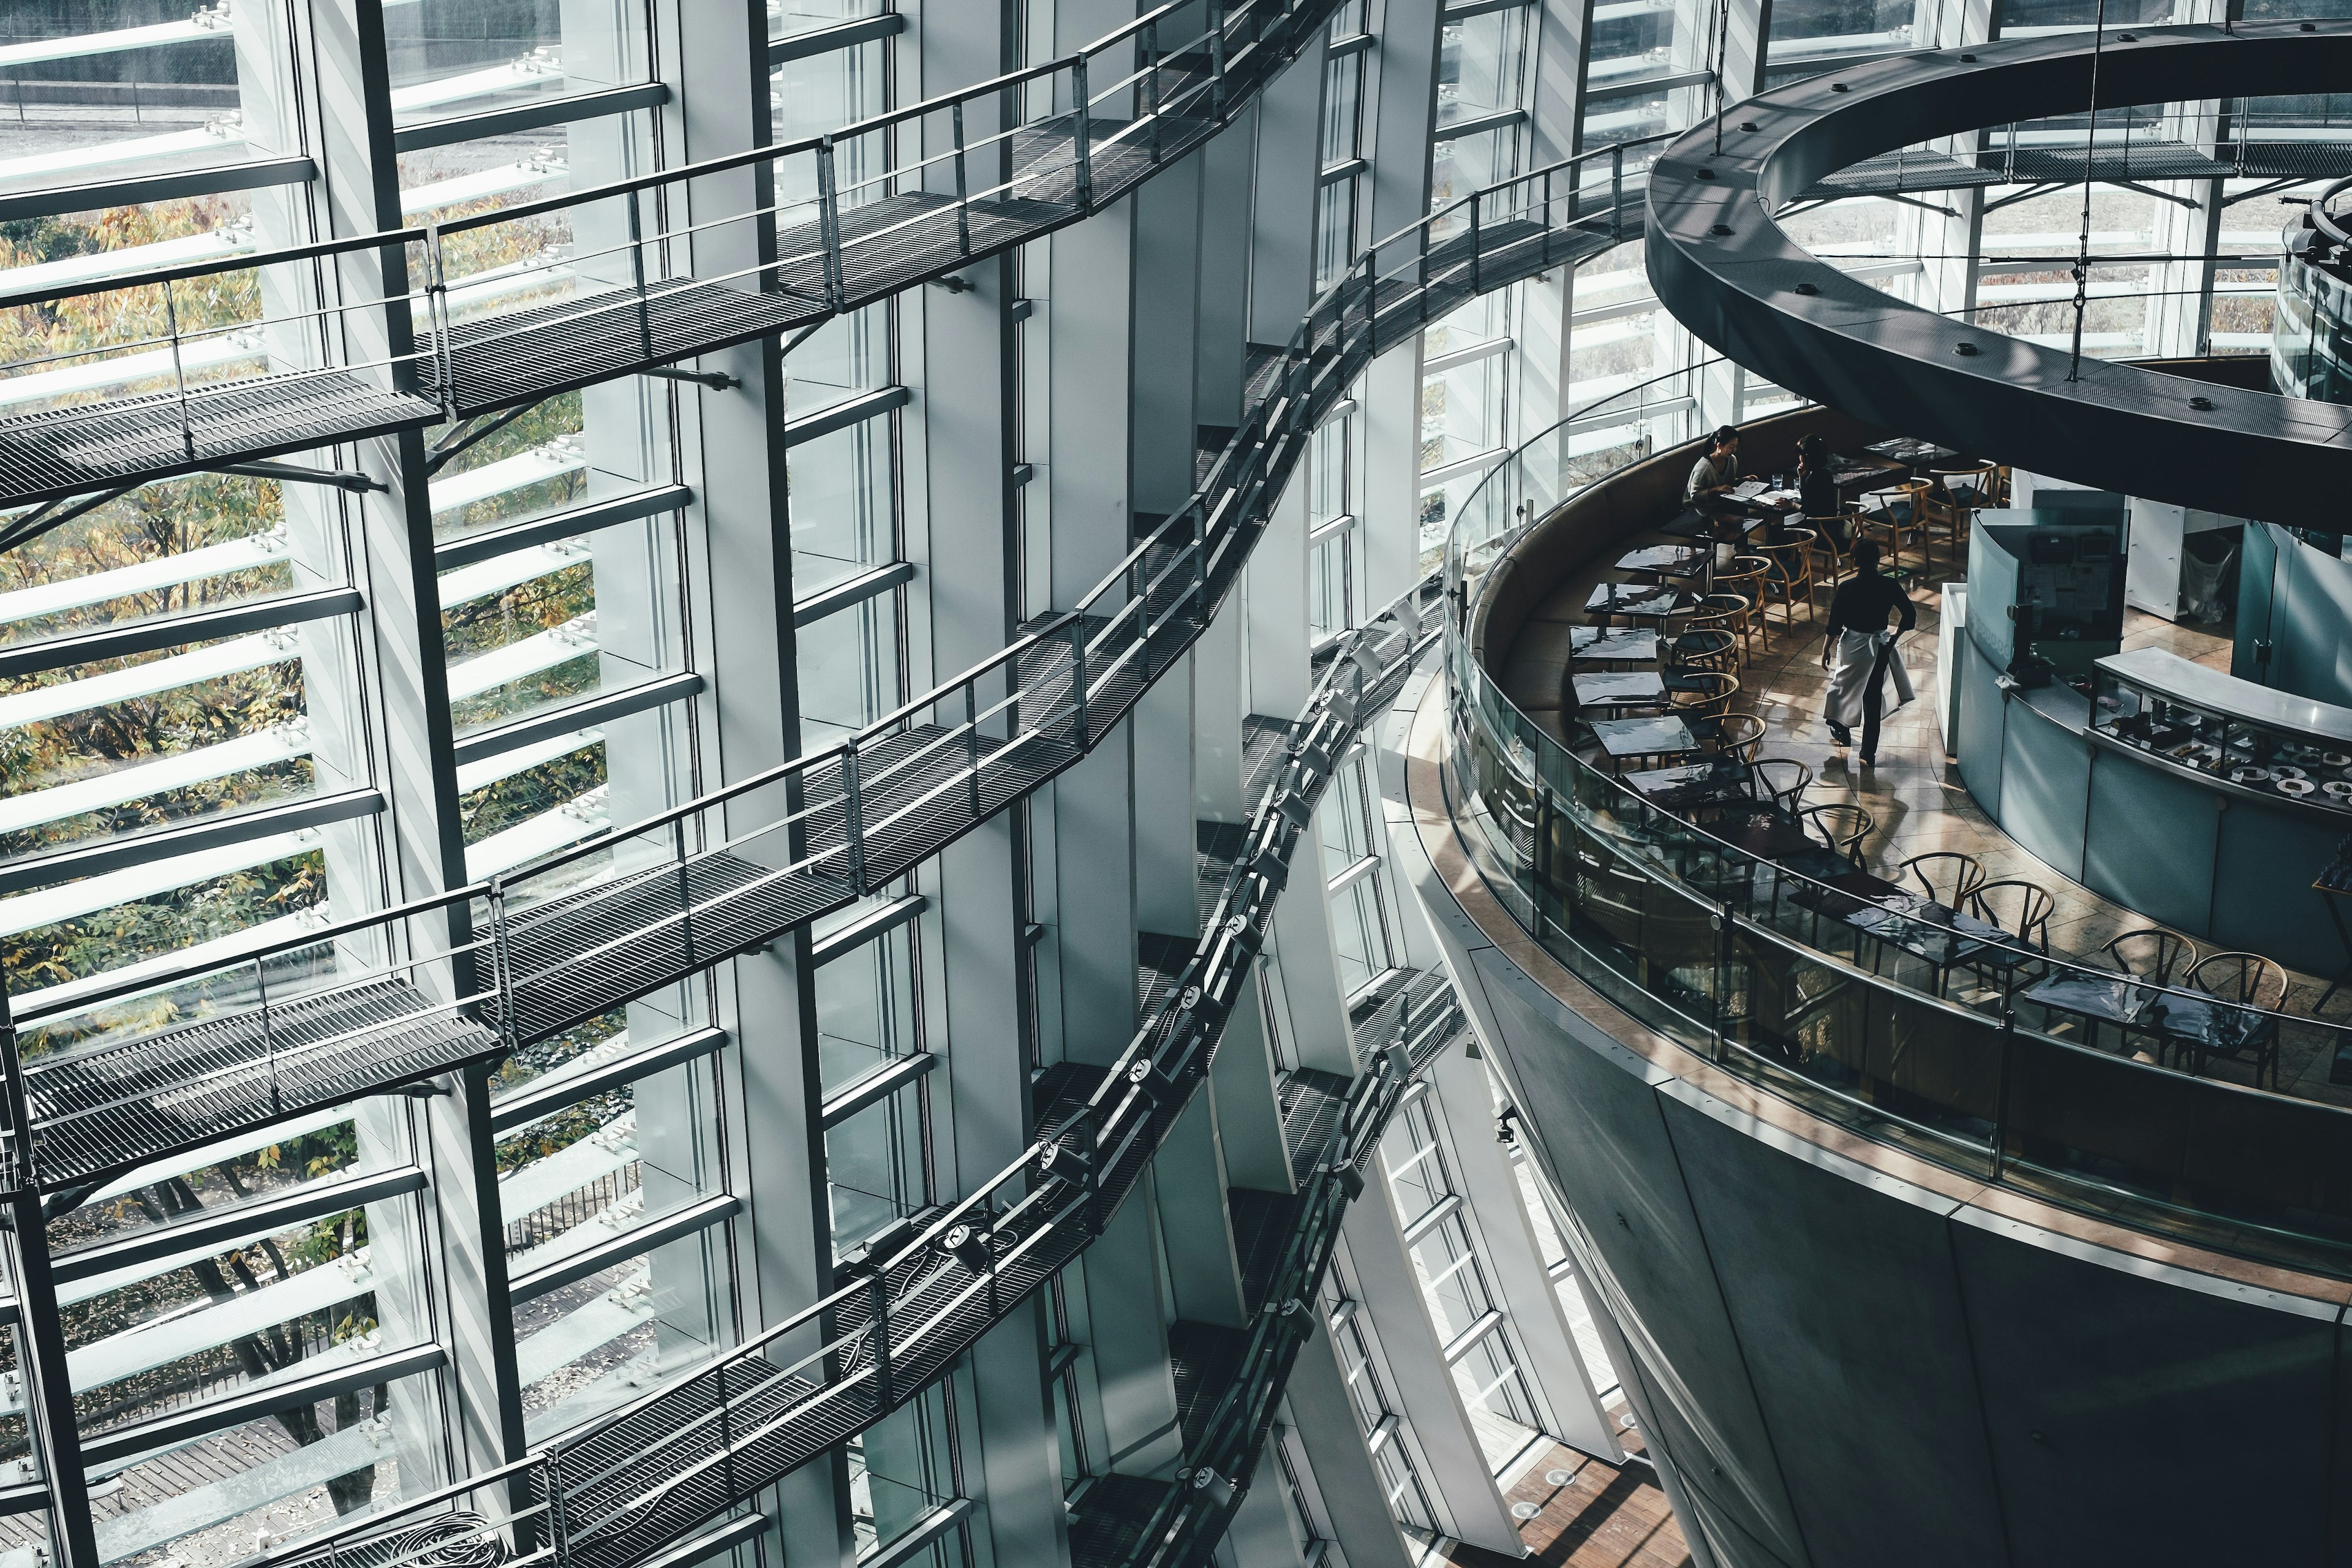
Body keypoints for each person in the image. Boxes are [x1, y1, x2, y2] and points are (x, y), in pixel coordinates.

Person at [1820, 538, 1915, 766]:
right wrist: (1893, 639)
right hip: (1880, 645)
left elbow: (1835, 623)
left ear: (1855, 561)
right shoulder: (1889, 585)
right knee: (1872, 699)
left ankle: (1841, 728)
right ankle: (1868, 753)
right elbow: (1910, 615)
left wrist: (1826, 648)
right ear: (1878, 559)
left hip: (1853, 646)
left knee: (1843, 688)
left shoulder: (1847, 588)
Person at [1795, 433, 1849, 549]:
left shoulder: (1813, 479)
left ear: (1807, 457)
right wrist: (1802, 478)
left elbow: (1807, 509)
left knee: (1778, 532)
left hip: (1820, 535)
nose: (1799, 458)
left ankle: (1793, 565)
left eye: (1801, 455)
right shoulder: (1826, 474)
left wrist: (1792, 504)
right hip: (1832, 531)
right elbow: (1810, 503)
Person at [1684, 426, 1742, 502]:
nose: (1734, 450)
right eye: (1731, 447)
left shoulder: (1732, 460)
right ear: (1719, 446)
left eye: (1736, 446)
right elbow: (1694, 496)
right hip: (1700, 508)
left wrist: (1743, 481)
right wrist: (1716, 489)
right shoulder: (1704, 467)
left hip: (1720, 503)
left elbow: (1728, 484)